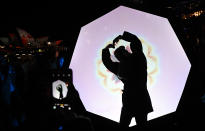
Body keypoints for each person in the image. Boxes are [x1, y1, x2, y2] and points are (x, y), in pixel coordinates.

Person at [102, 31, 153, 128]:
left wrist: (106, 49)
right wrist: (121, 37)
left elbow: (107, 62)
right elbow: (136, 41)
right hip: (139, 98)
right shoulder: (138, 58)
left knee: (125, 125)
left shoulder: (123, 66)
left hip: (131, 100)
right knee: (140, 124)